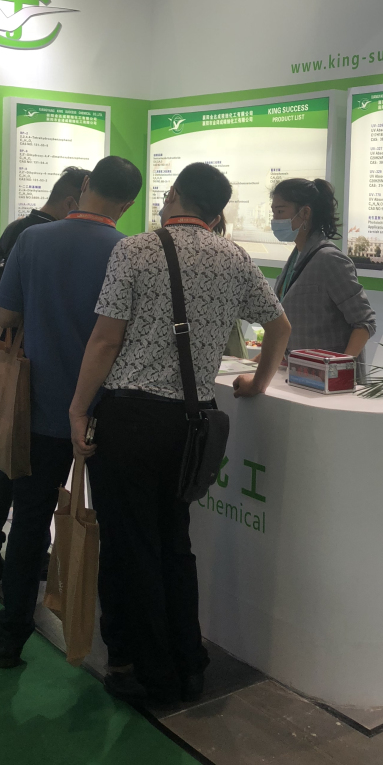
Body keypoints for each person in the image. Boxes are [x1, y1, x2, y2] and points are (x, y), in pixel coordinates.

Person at [69, 161, 291, 706]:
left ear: (171, 196)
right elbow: (279, 325)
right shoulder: (234, 257)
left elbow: (105, 340)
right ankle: (189, 662)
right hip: (192, 424)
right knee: (175, 542)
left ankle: (151, 671)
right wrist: (258, 382)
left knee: (131, 547)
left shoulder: (135, 250)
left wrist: (77, 409)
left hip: (131, 420)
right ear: (217, 212)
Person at [0, 155, 142, 668]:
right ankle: (115, 648)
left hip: (39, 408)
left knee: (30, 522)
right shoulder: (130, 251)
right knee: (114, 525)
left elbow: (6, 313)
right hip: (108, 413)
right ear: (127, 204)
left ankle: (11, 635)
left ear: (85, 185)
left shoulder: (34, 240)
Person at [0, 165, 91, 586]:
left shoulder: (19, 228)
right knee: (21, 475)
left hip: (12, 363)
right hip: (31, 369)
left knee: (9, 463)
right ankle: (22, 558)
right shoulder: (41, 236)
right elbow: (14, 310)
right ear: (73, 200)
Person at [271, 178, 376, 379]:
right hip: (302, 375)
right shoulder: (296, 257)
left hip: (331, 382)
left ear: (305, 213)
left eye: (280, 211)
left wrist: (339, 369)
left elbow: (364, 322)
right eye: (273, 212)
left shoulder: (329, 259)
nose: (275, 220)